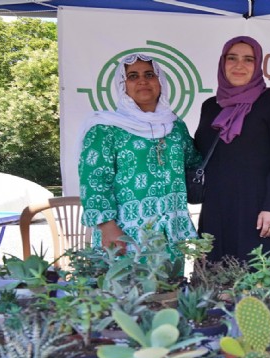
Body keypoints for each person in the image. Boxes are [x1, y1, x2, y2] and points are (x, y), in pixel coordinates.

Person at [78, 53, 201, 264]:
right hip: (124, 233)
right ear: (123, 85)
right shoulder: (106, 128)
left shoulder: (174, 126)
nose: (142, 81)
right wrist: (107, 227)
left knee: (168, 293)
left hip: (169, 234)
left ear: (160, 82)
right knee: (123, 292)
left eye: (149, 74)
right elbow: (94, 181)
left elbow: (194, 162)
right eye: (133, 76)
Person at [193, 36, 270, 264]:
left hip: (262, 209)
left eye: (248, 59)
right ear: (222, 63)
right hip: (219, 209)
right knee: (217, 280)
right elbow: (200, 154)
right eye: (232, 58)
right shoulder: (211, 106)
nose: (239, 65)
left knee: (263, 282)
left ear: (258, 65)